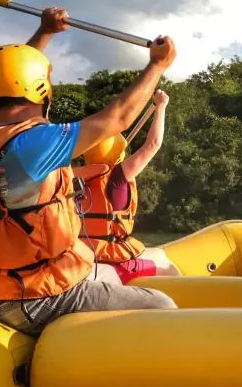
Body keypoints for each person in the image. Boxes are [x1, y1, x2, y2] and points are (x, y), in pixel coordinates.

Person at [0, 7, 178, 336]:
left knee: (103, 273)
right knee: (162, 305)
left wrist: (45, 32)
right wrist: (158, 65)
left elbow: (11, 73)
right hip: (34, 298)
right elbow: (117, 118)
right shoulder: (33, 144)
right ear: (39, 87)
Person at [74, 88, 181, 284]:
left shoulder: (74, 178)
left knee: (159, 253)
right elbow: (153, 144)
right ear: (118, 154)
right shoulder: (117, 178)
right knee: (170, 268)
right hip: (112, 262)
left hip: (81, 254)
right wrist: (161, 106)